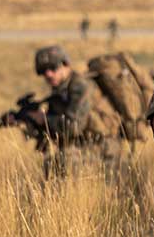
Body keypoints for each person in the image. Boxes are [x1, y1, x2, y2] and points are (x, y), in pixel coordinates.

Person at [29, 44, 122, 177]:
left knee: (64, 160)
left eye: (53, 68)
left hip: (103, 147)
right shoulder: (61, 89)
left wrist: (43, 119)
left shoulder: (80, 86)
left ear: (65, 65)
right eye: (43, 71)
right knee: (51, 163)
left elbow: (74, 126)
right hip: (86, 145)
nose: (48, 74)